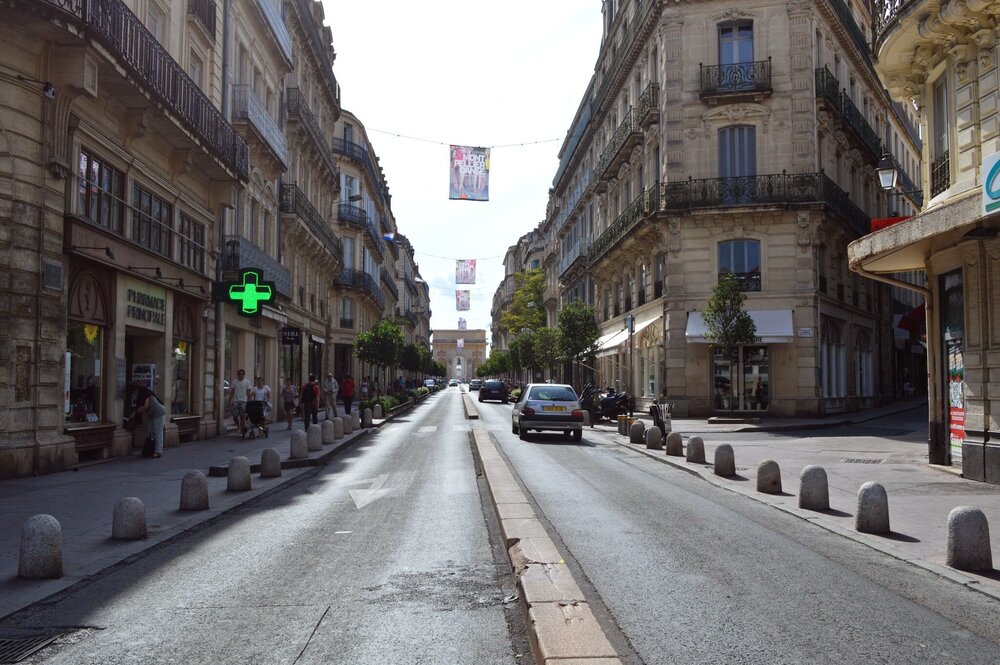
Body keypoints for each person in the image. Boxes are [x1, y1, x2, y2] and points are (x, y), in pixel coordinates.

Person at [132, 383, 166, 458]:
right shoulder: (143, 394)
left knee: (158, 432)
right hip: (152, 414)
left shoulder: (146, 394)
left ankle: (158, 451)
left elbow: (145, 406)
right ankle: (148, 450)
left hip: (158, 413)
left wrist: (135, 412)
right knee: (149, 432)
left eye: (135, 392)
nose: (135, 394)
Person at [229, 369, 251, 434]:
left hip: (244, 401)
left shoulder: (247, 382)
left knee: (242, 416)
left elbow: (248, 392)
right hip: (236, 401)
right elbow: (232, 391)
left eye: (241, 374)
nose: (240, 375)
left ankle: (241, 429)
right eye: (239, 374)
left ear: (244, 375)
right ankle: (238, 425)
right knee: (234, 416)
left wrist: (249, 401)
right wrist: (230, 400)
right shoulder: (234, 382)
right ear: (238, 375)